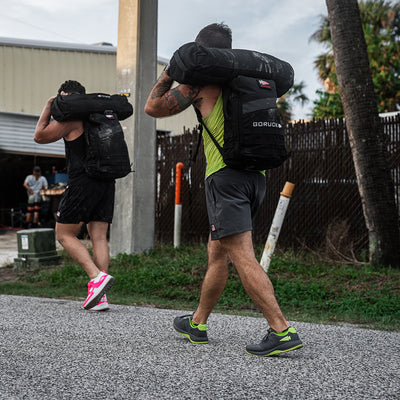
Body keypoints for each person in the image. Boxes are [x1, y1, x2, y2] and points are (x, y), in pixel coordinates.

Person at [145, 23, 303, 356]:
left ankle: (281, 330)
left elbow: (153, 107)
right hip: (256, 179)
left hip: (224, 178)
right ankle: (197, 323)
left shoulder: (200, 83)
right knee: (218, 253)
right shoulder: (250, 80)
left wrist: (168, 72)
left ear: (200, 53)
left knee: (241, 253)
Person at [34, 80, 115, 311]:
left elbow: (39, 136)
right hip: (106, 181)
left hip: (83, 181)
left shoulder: (70, 118)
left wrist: (49, 106)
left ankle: (95, 277)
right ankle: (101, 296)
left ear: (66, 96)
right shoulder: (98, 115)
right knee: (98, 236)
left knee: (63, 233)